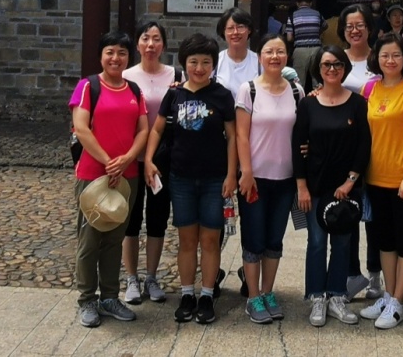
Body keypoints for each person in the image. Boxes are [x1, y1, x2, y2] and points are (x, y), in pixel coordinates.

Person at [144, 32, 237, 326]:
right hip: (181, 178)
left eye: (206, 62)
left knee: (210, 239)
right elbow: (157, 129)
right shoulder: (174, 94)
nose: (199, 68)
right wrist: (148, 159)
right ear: (184, 63)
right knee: (186, 240)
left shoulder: (222, 95)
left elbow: (233, 137)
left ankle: (206, 295)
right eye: (194, 61)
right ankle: (187, 294)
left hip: (214, 179)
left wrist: (231, 174)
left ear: (213, 65)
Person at [70, 30, 149, 328]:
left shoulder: (134, 90)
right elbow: (81, 128)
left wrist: (127, 159)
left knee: (115, 239)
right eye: (110, 52)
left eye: (122, 53)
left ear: (129, 57)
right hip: (93, 175)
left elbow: (143, 129)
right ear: (101, 55)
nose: (116, 58)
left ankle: (110, 296)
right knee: (90, 240)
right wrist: (108, 162)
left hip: (127, 176)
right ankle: (87, 299)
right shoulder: (88, 86)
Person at [293, 45, 372, 328]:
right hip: (315, 186)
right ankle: (317, 296)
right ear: (318, 68)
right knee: (316, 242)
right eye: (326, 64)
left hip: (345, 187)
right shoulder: (308, 104)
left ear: (345, 68)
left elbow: (364, 145)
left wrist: (351, 181)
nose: (332, 69)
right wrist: (301, 187)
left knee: (342, 242)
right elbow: (297, 145)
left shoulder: (357, 103)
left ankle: (338, 295)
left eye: (338, 64)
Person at [359, 32, 403, 330]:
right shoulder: (369, 89)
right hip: (374, 179)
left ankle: (399, 301)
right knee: (383, 242)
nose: (390, 60)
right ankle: (389, 296)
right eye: (385, 55)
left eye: (396, 55)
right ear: (376, 58)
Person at [235, 33, 302, 324]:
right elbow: (241, 134)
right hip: (255, 178)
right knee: (254, 238)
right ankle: (253, 297)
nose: (275, 57)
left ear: (287, 56)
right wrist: (246, 172)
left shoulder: (297, 91)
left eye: (280, 51)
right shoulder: (248, 89)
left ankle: (268, 292)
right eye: (269, 51)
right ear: (260, 56)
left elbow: (301, 132)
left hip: (285, 178)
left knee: (275, 239)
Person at [121, 19, 178, 304]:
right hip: (131, 157)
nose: (151, 44)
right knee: (130, 220)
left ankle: (152, 277)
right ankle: (131, 278)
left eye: (156, 38)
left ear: (164, 44)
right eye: (145, 38)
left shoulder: (176, 76)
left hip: (162, 160)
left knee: (157, 218)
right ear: (137, 43)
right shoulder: (125, 76)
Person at [334, 3, 381, 301]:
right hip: (346, 149)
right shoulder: (336, 60)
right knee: (348, 213)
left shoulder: (381, 59)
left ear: (369, 28)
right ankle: (352, 274)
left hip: (379, 145)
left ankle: (375, 274)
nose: (354, 30)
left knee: (374, 216)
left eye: (360, 25)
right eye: (349, 26)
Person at [215, 7, 261, 95]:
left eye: (240, 27)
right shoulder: (216, 61)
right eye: (230, 28)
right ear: (223, 32)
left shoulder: (260, 62)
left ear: (249, 30)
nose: (235, 32)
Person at [285, 0, 326, 79]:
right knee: (318, 79)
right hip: (316, 49)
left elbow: (289, 38)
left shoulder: (292, 16)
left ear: (297, 4)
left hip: (300, 50)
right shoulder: (317, 14)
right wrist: (317, 33)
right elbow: (325, 25)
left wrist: (298, 37)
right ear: (310, 3)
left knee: (298, 80)